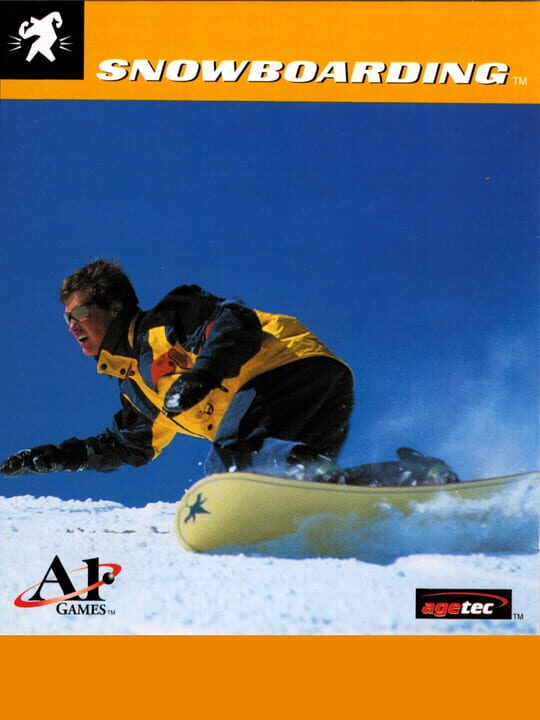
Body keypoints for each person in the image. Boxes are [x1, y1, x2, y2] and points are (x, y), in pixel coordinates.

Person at [0, 259, 355, 483]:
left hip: (287, 366)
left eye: (79, 313)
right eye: (66, 319)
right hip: (323, 391)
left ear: (115, 305)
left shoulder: (164, 323)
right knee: (285, 489)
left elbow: (234, 320)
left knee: (228, 467)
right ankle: (364, 483)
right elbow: (127, 446)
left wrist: (202, 376)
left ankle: (315, 471)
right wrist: (59, 457)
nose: (72, 325)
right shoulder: (137, 391)